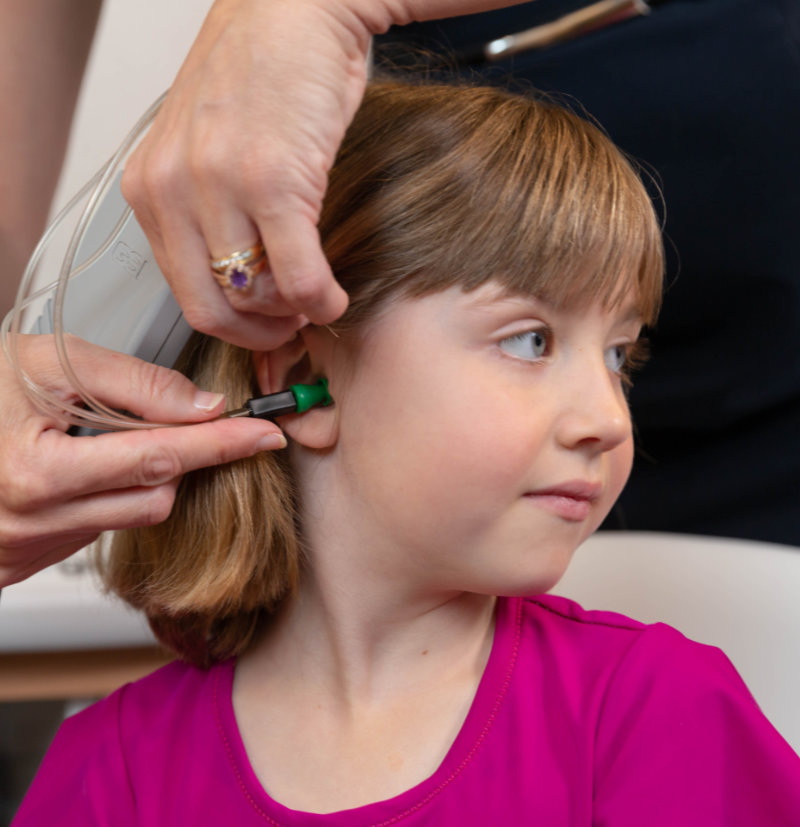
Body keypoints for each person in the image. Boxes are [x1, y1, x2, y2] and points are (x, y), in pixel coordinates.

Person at [13, 79, 800, 825]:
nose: (608, 418)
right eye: (531, 339)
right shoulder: (108, 769)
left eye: (617, 357)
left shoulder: (658, 709)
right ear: (305, 377)